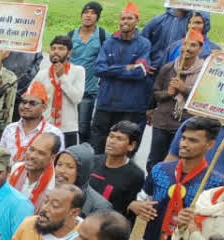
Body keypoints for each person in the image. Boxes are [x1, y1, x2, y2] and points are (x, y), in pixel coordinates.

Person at [130, 117, 220, 240]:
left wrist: (194, 220)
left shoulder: (215, 183)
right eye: (184, 138)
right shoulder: (160, 170)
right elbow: (141, 200)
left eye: (193, 140)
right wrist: (135, 206)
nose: (184, 143)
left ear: (209, 145)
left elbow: (213, 227)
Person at [90, 3, 152, 154]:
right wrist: (126, 68)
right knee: (98, 147)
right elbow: (98, 69)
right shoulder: (109, 42)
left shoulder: (144, 44)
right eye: (123, 18)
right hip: (105, 103)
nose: (125, 21)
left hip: (129, 106)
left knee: (124, 148)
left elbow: (140, 72)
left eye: (129, 18)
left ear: (137, 21)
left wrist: (111, 70)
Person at [148, 27, 205, 169]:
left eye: (193, 45)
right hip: (162, 122)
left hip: (186, 125)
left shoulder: (204, 73)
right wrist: (169, 93)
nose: (187, 48)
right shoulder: (168, 68)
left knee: (179, 163)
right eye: (185, 44)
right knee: (155, 160)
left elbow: (203, 101)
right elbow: (156, 94)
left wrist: (184, 90)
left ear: (200, 49)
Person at [32, 36, 86, 148]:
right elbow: (32, 98)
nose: (56, 51)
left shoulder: (78, 71)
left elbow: (77, 98)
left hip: (68, 128)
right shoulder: (42, 74)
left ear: (69, 53)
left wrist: (62, 76)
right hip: (45, 126)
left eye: (61, 49)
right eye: (53, 48)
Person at [69, 2, 108, 148]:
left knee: (84, 128)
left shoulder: (103, 36)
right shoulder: (71, 35)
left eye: (92, 13)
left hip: (88, 90)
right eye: (86, 12)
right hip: (69, 89)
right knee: (68, 127)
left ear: (97, 17)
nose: (88, 15)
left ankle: (84, 156)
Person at [0, 83, 65, 165]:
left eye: (32, 103)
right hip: (10, 176)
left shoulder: (54, 133)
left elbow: (57, 163)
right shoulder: (10, 128)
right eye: (24, 102)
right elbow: (0, 158)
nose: (26, 106)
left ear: (43, 108)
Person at [89, 121, 145, 218]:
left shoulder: (135, 175)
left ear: (131, 146)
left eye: (119, 139)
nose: (112, 141)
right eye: (111, 136)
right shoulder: (93, 161)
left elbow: (129, 211)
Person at [55, 144, 111, 216]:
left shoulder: (99, 207)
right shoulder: (50, 192)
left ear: (83, 171)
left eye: (70, 167)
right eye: (59, 164)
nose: (61, 170)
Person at [141, 6, 202, 71]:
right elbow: (142, 44)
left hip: (177, 72)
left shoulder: (195, 22)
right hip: (153, 70)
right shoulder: (158, 20)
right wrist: (145, 62)